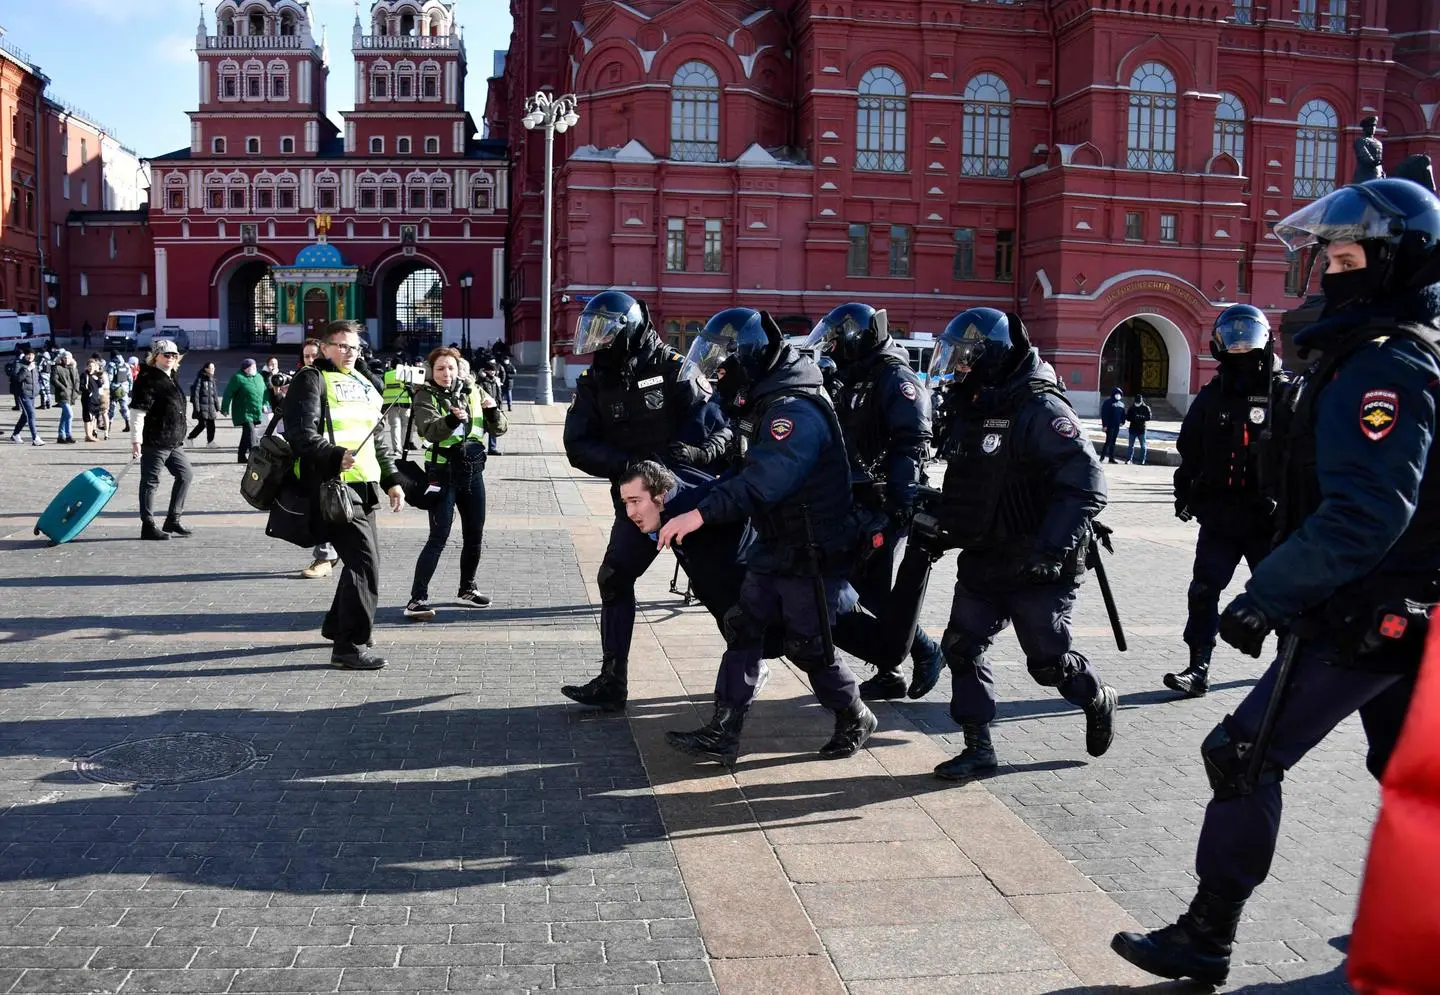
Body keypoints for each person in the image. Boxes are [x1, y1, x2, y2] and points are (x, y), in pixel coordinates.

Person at [1112, 176, 1440, 984]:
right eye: (1326, 250)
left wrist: (1269, 593)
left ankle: (1206, 934)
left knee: (1242, 752)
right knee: (1411, 775)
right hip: (1395, 604)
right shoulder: (1377, 353)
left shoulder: (1384, 369)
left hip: (1361, 608)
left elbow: (1367, 511)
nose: (1325, 266)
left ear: (1391, 262)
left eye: (1343, 251)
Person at [658, 309, 877, 763]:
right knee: (744, 626)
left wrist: (699, 514)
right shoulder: (767, 401)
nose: (718, 375)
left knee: (808, 646)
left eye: (724, 364)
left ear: (750, 359)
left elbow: (765, 481)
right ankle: (723, 730)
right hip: (776, 542)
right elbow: (742, 469)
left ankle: (854, 714)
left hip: (811, 549)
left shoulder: (792, 412)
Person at [923, 308, 1117, 781]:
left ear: (994, 355)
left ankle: (1095, 695)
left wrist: (1050, 551)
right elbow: (973, 482)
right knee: (962, 647)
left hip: (1038, 560)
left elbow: (1087, 483)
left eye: (969, 357)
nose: (961, 367)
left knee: (1047, 662)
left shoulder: (1040, 407)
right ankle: (977, 746)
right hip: (985, 554)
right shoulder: (975, 404)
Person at [560, 290, 733, 712]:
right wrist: (633, 466)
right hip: (637, 506)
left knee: (722, 593)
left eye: (604, 332)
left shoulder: (675, 370)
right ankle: (611, 680)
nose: (596, 341)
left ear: (629, 330)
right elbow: (577, 444)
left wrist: (693, 459)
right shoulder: (594, 381)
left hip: (688, 501)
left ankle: (747, 667)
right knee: (613, 578)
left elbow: (717, 433)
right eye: (592, 331)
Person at [803, 302, 944, 701]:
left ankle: (926, 651)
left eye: (835, 340)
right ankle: (892, 671)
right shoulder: (852, 375)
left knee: (874, 592)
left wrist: (899, 505)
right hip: (853, 499)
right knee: (865, 589)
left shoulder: (896, 378)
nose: (830, 348)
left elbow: (911, 443)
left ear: (857, 338)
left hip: (884, 501)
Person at [1164, 305, 1285, 698]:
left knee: (1282, 595)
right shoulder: (1213, 395)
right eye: (1231, 333)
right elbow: (1189, 448)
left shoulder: (1284, 392)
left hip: (1269, 519)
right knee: (1202, 591)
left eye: (1245, 333)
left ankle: (1288, 667)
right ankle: (1198, 667)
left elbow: (1305, 457)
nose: (1238, 341)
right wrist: (1185, 494)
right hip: (1220, 517)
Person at [283, 320, 405, 671]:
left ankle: (338, 627)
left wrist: (392, 478)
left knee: (362, 563)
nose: (349, 352)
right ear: (323, 348)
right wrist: (335, 455)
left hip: (363, 485)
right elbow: (300, 434)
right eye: (340, 346)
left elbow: (377, 435)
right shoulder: (311, 379)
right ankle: (349, 646)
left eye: (354, 347)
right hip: (332, 486)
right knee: (365, 565)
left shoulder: (364, 381)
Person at [404, 346, 507, 620]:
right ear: (431, 371)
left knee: (475, 534)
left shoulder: (474, 391)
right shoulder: (425, 395)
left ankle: (467, 588)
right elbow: (429, 430)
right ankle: (416, 599)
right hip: (442, 472)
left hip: (473, 471)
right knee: (438, 537)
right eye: (440, 369)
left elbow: (500, 428)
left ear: (459, 368)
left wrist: (494, 410)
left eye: (451, 368)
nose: (446, 373)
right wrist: (451, 418)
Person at [129, 339, 193, 541]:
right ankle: (147, 525)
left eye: (174, 355)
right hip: (155, 440)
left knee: (186, 475)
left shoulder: (171, 376)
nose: (171, 358)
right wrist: (135, 441)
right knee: (150, 482)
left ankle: (173, 519)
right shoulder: (148, 378)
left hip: (173, 441)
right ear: (155, 356)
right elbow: (138, 412)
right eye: (166, 355)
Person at [295, 338, 340, 579]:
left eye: (315, 356)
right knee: (319, 506)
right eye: (307, 357)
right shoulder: (303, 380)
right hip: (312, 454)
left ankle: (326, 555)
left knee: (328, 506)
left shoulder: (333, 379)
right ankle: (327, 553)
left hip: (334, 453)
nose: (311, 360)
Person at [221, 358, 267, 464]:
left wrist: (266, 404)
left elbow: (265, 391)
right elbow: (228, 393)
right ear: (246, 369)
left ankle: (241, 456)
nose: (255, 368)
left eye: (255, 366)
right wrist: (225, 408)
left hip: (255, 410)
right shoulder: (238, 378)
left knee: (246, 434)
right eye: (252, 367)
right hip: (244, 412)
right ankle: (254, 457)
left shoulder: (259, 377)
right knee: (251, 433)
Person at [380, 353, 416, 456]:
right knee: (405, 425)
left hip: (390, 403)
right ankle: (404, 446)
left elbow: (381, 386)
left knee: (394, 426)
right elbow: (412, 387)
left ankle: (397, 449)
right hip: (405, 403)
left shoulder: (386, 375)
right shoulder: (406, 374)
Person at [9, 346, 43, 446]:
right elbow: (18, 379)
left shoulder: (34, 365)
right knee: (31, 415)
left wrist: (39, 388)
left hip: (32, 394)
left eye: (32, 355)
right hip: (22, 393)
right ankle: (35, 438)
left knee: (25, 415)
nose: (30, 357)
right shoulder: (18, 364)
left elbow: (37, 379)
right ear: (25, 355)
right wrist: (27, 369)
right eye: (28, 355)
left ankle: (15, 434)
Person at [187, 362, 221, 446]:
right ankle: (189, 438)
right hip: (202, 407)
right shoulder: (200, 379)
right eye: (211, 368)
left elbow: (215, 394)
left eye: (214, 368)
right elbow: (196, 394)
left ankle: (210, 442)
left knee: (211, 425)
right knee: (202, 424)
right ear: (206, 369)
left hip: (211, 407)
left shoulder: (212, 379)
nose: (213, 370)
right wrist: (197, 408)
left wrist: (217, 407)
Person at [477, 359, 505, 455]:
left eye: (494, 370)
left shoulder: (496, 381)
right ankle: (476, 446)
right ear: (486, 371)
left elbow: (499, 395)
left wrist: (500, 407)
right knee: (482, 429)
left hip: (494, 408)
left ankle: (492, 448)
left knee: (493, 428)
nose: (493, 372)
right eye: (491, 370)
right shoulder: (482, 381)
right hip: (485, 409)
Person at [51, 350, 79, 444]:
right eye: (65, 358)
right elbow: (54, 380)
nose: (66, 359)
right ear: (62, 358)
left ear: (71, 359)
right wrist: (63, 388)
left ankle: (60, 436)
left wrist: (76, 391)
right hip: (62, 395)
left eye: (68, 358)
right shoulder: (57, 367)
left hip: (71, 395)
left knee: (65, 416)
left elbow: (77, 380)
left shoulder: (73, 368)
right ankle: (68, 435)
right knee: (70, 415)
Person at [81, 355, 108, 442]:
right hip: (88, 399)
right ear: (87, 366)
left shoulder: (95, 375)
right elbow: (82, 386)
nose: (91, 368)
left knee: (93, 418)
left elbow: (100, 385)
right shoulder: (85, 375)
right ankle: (88, 435)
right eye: (89, 366)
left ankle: (91, 434)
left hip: (95, 399)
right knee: (87, 417)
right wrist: (89, 392)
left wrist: (98, 376)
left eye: (92, 366)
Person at [105, 352, 132, 433]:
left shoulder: (112, 365)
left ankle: (108, 427)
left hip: (114, 390)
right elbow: (130, 378)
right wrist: (129, 388)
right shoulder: (126, 365)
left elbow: (109, 378)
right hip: (124, 390)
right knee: (125, 407)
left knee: (111, 408)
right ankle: (127, 424)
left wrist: (107, 389)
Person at [1099, 388, 1126, 463]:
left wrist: (1122, 422)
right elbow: (1104, 414)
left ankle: (1111, 458)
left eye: (1119, 394)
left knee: (1113, 442)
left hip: (1117, 426)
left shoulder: (1121, 404)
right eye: (1117, 394)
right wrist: (1104, 425)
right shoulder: (1108, 402)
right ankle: (1102, 457)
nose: (1118, 395)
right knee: (1108, 441)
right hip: (1109, 426)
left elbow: (1123, 415)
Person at [1124, 393, 1152, 465]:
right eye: (1136, 403)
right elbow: (1127, 418)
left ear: (1141, 401)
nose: (1137, 404)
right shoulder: (1132, 408)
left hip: (1141, 429)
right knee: (1131, 446)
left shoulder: (1146, 408)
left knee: (1143, 446)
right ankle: (1129, 459)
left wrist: (1140, 417)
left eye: (1138, 403)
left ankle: (1142, 460)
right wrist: (1133, 418)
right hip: (1133, 429)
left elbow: (1149, 417)